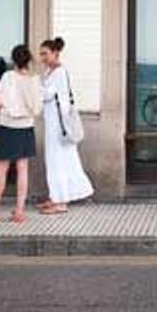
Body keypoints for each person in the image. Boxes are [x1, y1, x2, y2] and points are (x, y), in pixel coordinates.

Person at [0, 45, 43, 224]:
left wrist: (8, 108)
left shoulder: (8, 77)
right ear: (29, 60)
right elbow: (38, 107)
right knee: (22, 169)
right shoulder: (35, 80)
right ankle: (20, 211)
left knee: (1, 170)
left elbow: (0, 100)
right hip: (26, 126)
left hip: (8, 126)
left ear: (13, 60)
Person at [38, 37, 94, 215]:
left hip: (58, 125)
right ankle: (56, 196)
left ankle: (60, 202)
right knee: (63, 160)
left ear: (55, 53)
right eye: (41, 54)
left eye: (45, 54)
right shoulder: (50, 72)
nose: (43, 57)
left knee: (57, 161)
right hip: (54, 123)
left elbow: (48, 95)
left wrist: (32, 86)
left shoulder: (59, 72)